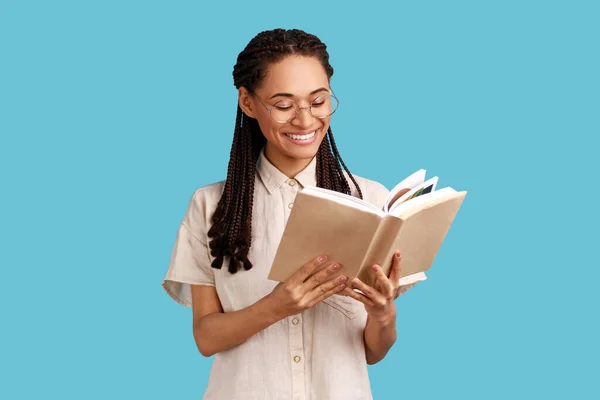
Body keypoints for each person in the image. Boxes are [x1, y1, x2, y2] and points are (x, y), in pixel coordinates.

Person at [161, 28, 426, 400]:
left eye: (318, 101)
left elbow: (372, 352)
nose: (305, 120)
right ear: (247, 102)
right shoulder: (210, 205)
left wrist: (384, 314)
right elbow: (206, 338)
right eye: (284, 105)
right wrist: (277, 306)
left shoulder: (372, 199)